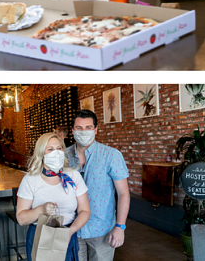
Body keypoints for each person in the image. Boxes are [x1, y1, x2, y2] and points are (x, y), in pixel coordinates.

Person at [66, 110, 129, 261]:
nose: (84, 132)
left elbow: (123, 193)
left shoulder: (111, 155)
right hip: (71, 229)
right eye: (79, 128)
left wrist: (120, 226)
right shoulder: (63, 156)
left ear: (95, 129)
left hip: (101, 229)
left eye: (88, 127)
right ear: (73, 130)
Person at [17, 133, 89, 261]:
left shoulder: (73, 176)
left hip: (68, 234)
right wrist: (41, 210)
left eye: (59, 148)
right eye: (50, 149)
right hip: (39, 236)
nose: (56, 152)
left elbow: (85, 211)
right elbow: (21, 219)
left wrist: (70, 232)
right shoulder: (30, 180)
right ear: (41, 153)